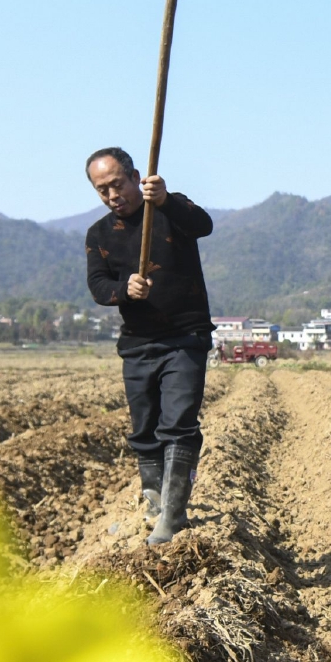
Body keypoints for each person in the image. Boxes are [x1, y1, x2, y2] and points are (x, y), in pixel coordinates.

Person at [84, 146, 215, 544]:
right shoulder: (99, 234)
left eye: (117, 185)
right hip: (138, 344)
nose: (112, 196)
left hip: (185, 338)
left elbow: (203, 224)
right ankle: (156, 504)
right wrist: (125, 289)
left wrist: (166, 198)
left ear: (135, 176)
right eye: (102, 190)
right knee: (145, 430)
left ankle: (173, 518)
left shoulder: (170, 210)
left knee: (178, 425)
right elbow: (98, 287)